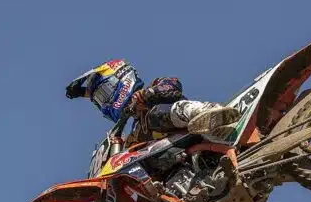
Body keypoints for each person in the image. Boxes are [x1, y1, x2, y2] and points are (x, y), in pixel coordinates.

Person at [65, 59, 240, 142]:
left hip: (198, 131)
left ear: (119, 80)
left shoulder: (155, 88)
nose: (104, 103)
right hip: (183, 157)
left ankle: (207, 112)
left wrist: (148, 94)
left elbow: (174, 86)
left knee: (154, 115)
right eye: (99, 100)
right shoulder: (136, 128)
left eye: (103, 95)